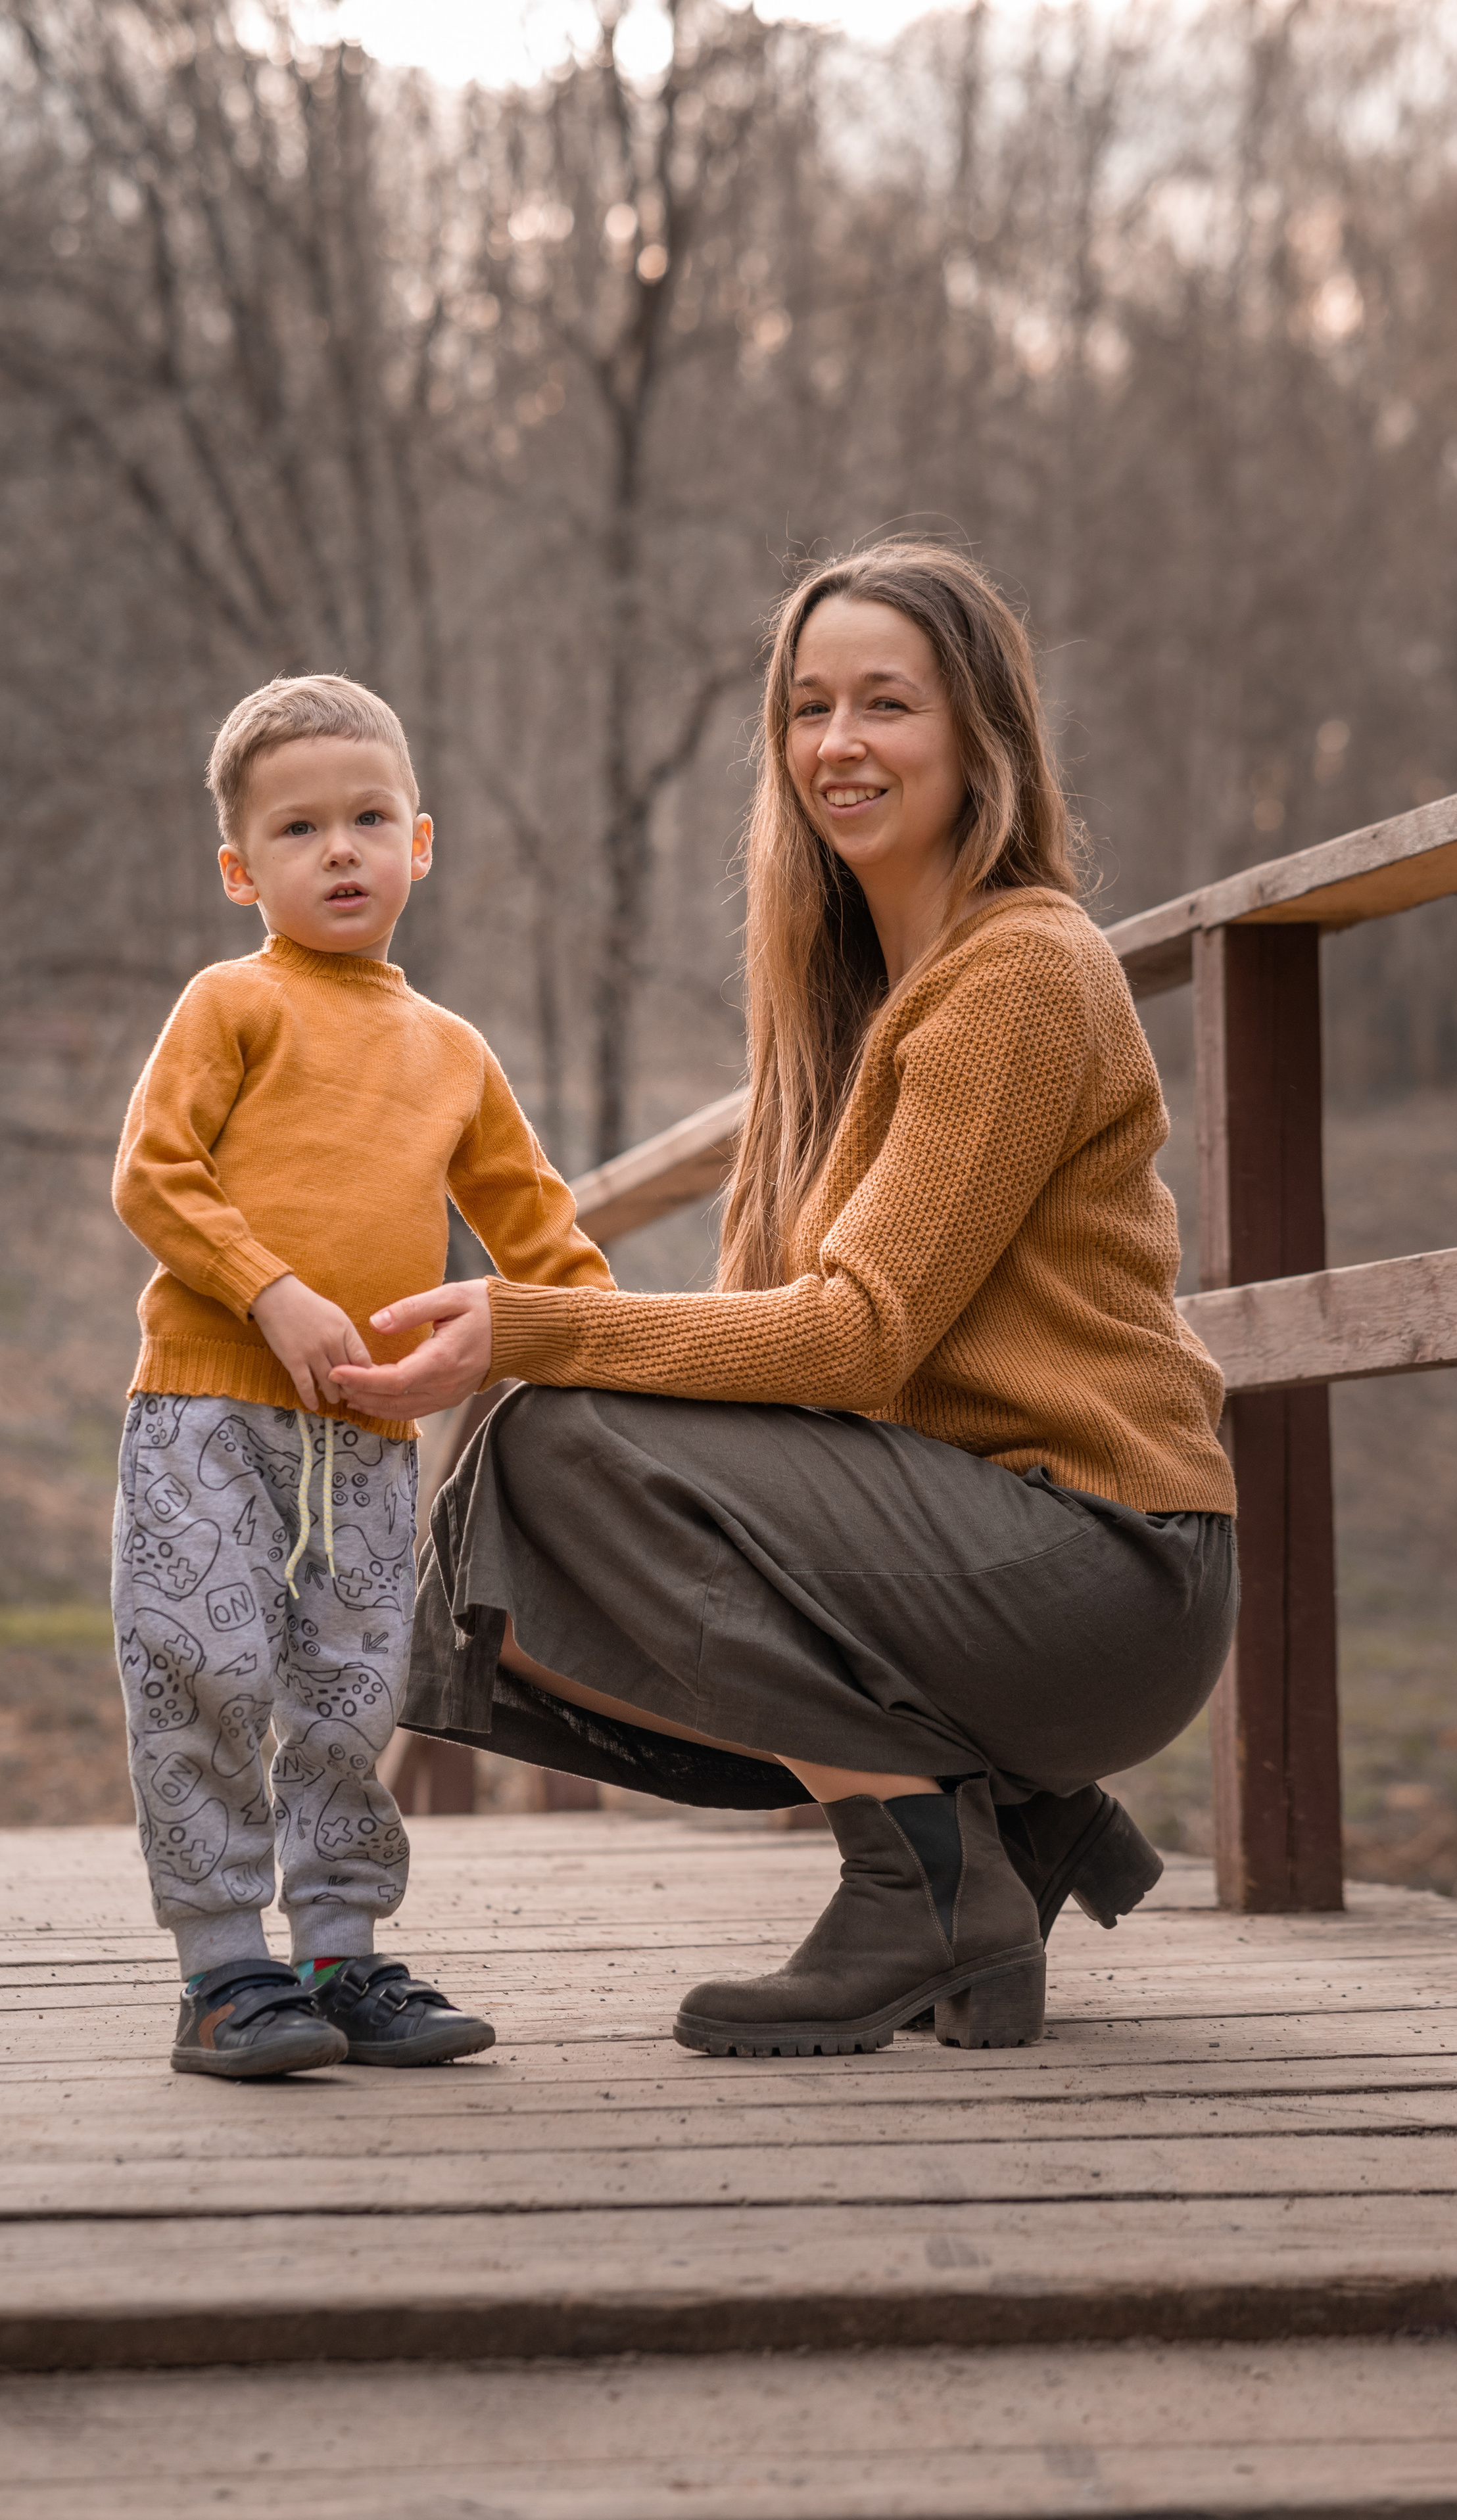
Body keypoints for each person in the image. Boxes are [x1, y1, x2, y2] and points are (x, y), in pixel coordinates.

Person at [331, 543, 1239, 2062]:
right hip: (994, 1547)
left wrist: (532, 1324)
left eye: (885, 703)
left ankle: (935, 1874)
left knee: (556, 1447)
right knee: (550, 1486)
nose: (837, 743)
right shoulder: (847, 1004)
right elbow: (766, 1354)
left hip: (1105, 1561)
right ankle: (1001, 1834)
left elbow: (852, 1335)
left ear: (978, 738)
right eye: (808, 707)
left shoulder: (1019, 973)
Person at [111, 673, 611, 2079]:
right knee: (201, 1668)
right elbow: (154, 1177)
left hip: (372, 1435)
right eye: (297, 829)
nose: (339, 850)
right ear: (238, 868)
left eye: (367, 818)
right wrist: (268, 1293)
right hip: (206, 1410)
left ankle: (339, 1958)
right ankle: (222, 1973)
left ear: (420, 843)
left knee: (349, 1691)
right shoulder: (232, 1005)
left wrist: (618, 1350)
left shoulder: (449, 1052)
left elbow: (538, 1228)